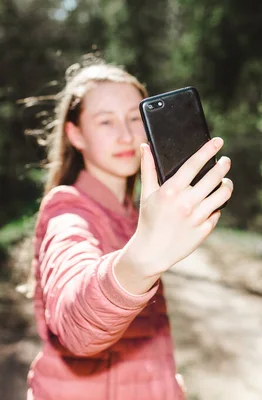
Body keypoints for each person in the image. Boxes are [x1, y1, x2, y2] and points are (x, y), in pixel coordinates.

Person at [26, 57, 233, 400]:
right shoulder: (67, 209)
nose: (125, 135)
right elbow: (77, 325)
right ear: (75, 133)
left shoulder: (132, 215)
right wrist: (140, 260)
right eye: (105, 121)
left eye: (135, 118)